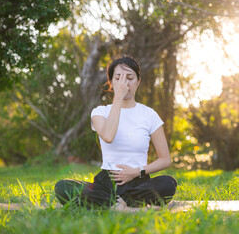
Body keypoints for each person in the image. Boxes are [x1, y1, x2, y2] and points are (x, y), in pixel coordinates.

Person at [54, 55, 177, 209]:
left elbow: (165, 159)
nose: (124, 83)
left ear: (138, 82)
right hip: (107, 182)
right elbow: (108, 136)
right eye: (118, 78)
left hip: (139, 181)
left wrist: (137, 172)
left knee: (168, 183)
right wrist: (118, 97)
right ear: (111, 83)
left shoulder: (149, 114)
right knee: (62, 187)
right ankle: (132, 208)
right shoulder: (100, 112)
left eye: (130, 78)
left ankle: (114, 206)